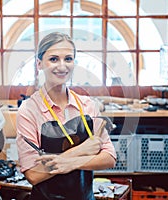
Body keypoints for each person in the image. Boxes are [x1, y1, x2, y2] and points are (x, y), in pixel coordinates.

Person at [16, 31, 116, 200]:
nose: (62, 66)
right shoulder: (29, 110)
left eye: (68, 59)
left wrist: (71, 162)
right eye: (53, 59)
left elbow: (109, 157)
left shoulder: (87, 105)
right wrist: (82, 150)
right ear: (39, 64)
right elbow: (33, 174)